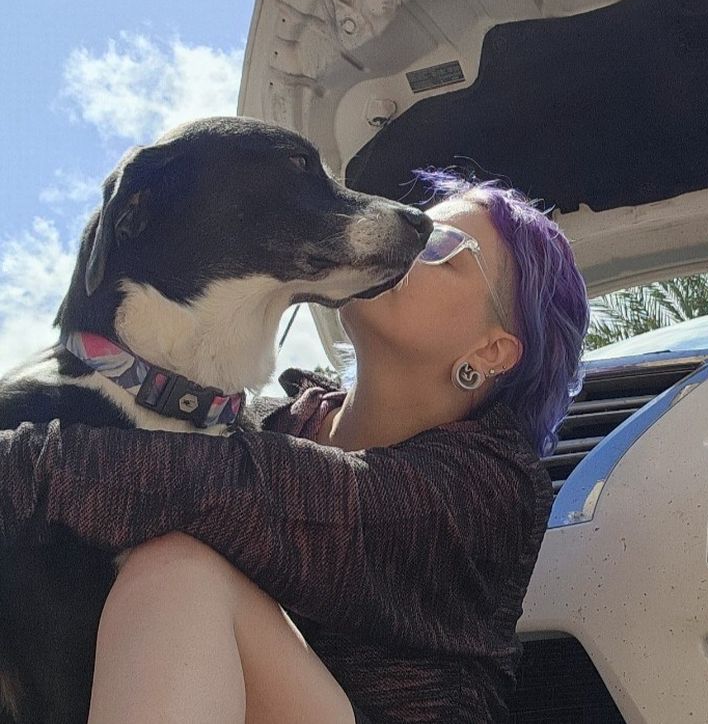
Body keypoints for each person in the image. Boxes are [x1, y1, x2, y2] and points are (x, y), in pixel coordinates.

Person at [0, 172, 590, 724]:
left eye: (441, 245)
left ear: (491, 351)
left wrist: (22, 463)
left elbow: (228, 490)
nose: (406, 232)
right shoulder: (268, 422)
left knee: (176, 571)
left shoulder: (491, 486)